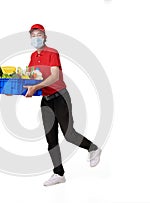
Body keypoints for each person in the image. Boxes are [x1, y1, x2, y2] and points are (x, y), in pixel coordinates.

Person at [23, 24, 102, 186]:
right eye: (33, 35)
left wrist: (36, 87)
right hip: (46, 100)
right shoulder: (32, 56)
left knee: (69, 134)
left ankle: (93, 148)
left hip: (60, 97)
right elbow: (30, 78)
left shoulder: (52, 52)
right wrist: (15, 89)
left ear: (45, 37)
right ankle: (58, 173)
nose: (36, 38)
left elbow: (54, 76)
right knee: (51, 139)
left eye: (39, 34)